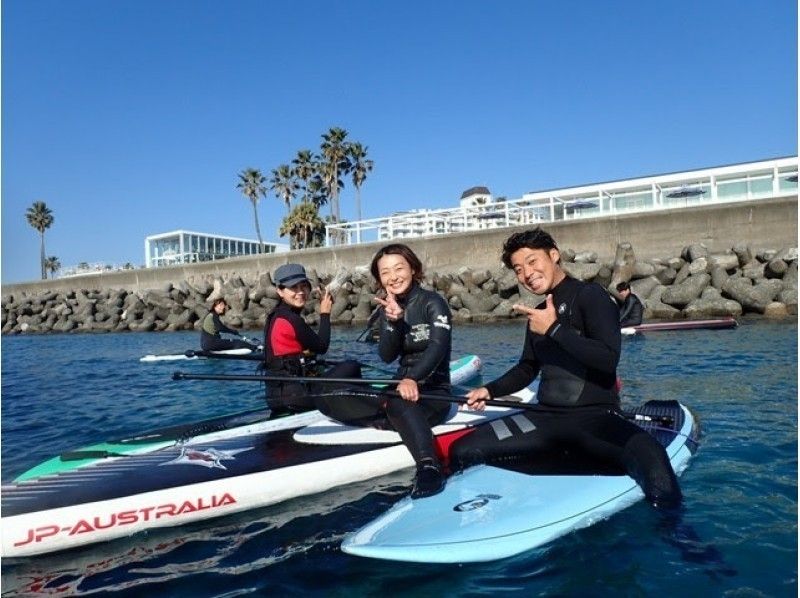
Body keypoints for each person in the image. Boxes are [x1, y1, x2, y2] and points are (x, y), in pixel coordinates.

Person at [450, 228, 682, 508]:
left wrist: (554, 328)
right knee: (462, 449)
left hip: (595, 419)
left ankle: (681, 540)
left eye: (533, 262)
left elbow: (608, 359)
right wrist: (488, 389)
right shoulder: (537, 313)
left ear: (554, 255)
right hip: (546, 418)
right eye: (518, 269)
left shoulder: (591, 296)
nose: (527, 274)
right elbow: (527, 368)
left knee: (653, 459)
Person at [314, 244, 453, 499]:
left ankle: (429, 466)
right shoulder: (385, 308)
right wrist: (393, 322)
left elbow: (438, 348)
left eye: (399, 268)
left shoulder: (433, 302)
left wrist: (412, 378)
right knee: (326, 395)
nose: (393, 276)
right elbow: (387, 356)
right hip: (399, 389)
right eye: (385, 272)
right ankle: (389, 418)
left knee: (398, 402)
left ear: (413, 269)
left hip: (434, 390)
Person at [263, 263, 361, 413]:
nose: (300, 292)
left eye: (303, 286)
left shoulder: (274, 316)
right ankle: (359, 410)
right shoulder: (292, 319)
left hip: (274, 398)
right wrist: (325, 313)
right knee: (352, 366)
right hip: (297, 397)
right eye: (293, 288)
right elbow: (322, 346)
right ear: (280, 291)